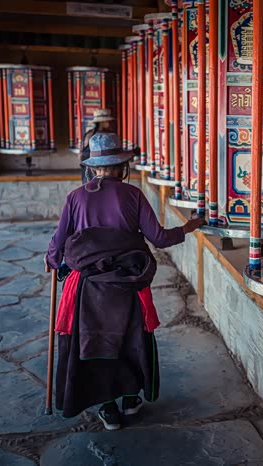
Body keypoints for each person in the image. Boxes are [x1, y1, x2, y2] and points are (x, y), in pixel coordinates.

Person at [46, 132, 205, 430]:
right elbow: (159, 238)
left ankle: (108, 408)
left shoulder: (75, 197)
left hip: (87, 288)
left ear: (93, 168)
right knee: (131, 340)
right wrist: (188, 227)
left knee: (95, 343)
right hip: (128, 283)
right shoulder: (133, 195)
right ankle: (131, 400)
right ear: (122, 166)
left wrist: (52, 260)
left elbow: (58, 243)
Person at [79, 108, 115, 184]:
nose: (109, 124)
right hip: (99, 169)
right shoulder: (103, 136)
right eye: (107, 121)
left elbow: (80, 155)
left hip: (88, 167)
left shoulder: (88, 134)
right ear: (102, 122)